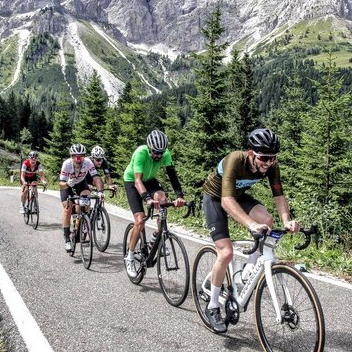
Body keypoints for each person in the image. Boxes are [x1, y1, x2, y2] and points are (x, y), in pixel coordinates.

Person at [200, 128, 300, 333]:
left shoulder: (271, 166)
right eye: (264, 157)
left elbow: (279, 197)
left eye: (273, 158)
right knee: (226, 253)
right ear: (251, 153)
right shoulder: (235, 160)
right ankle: (212, 307)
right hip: (216, 198)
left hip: (237, 196)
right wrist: (251, 225)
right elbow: (226, 202)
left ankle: (250, 268)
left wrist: (287, 221)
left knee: (268, 219)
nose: (268, 163)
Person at [123, 129, 186, 277]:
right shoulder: (141, 153)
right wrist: (147, 199)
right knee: (140, 220)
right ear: (149, 147)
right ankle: (130, 257)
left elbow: (172, 176)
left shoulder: (165, 154)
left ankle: (158, 236)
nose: (158, 156)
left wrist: (180, 196)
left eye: (161, 152)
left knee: (163, 199)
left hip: (150, 180)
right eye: (155, 152)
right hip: (133, 181)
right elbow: (138, 181)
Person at [59, 143, 104, 252]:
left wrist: (99, 191)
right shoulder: (67, 164)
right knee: (68, 208)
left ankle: (84, 222)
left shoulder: (88, 162)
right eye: (76, 156)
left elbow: (96, 177)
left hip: (80, 183)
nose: (79, 159)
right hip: (67, 185)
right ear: (72, 156)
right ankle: (67, 239)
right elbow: (60, 183)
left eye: (82, 156)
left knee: (85, 200)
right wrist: (67, 184)